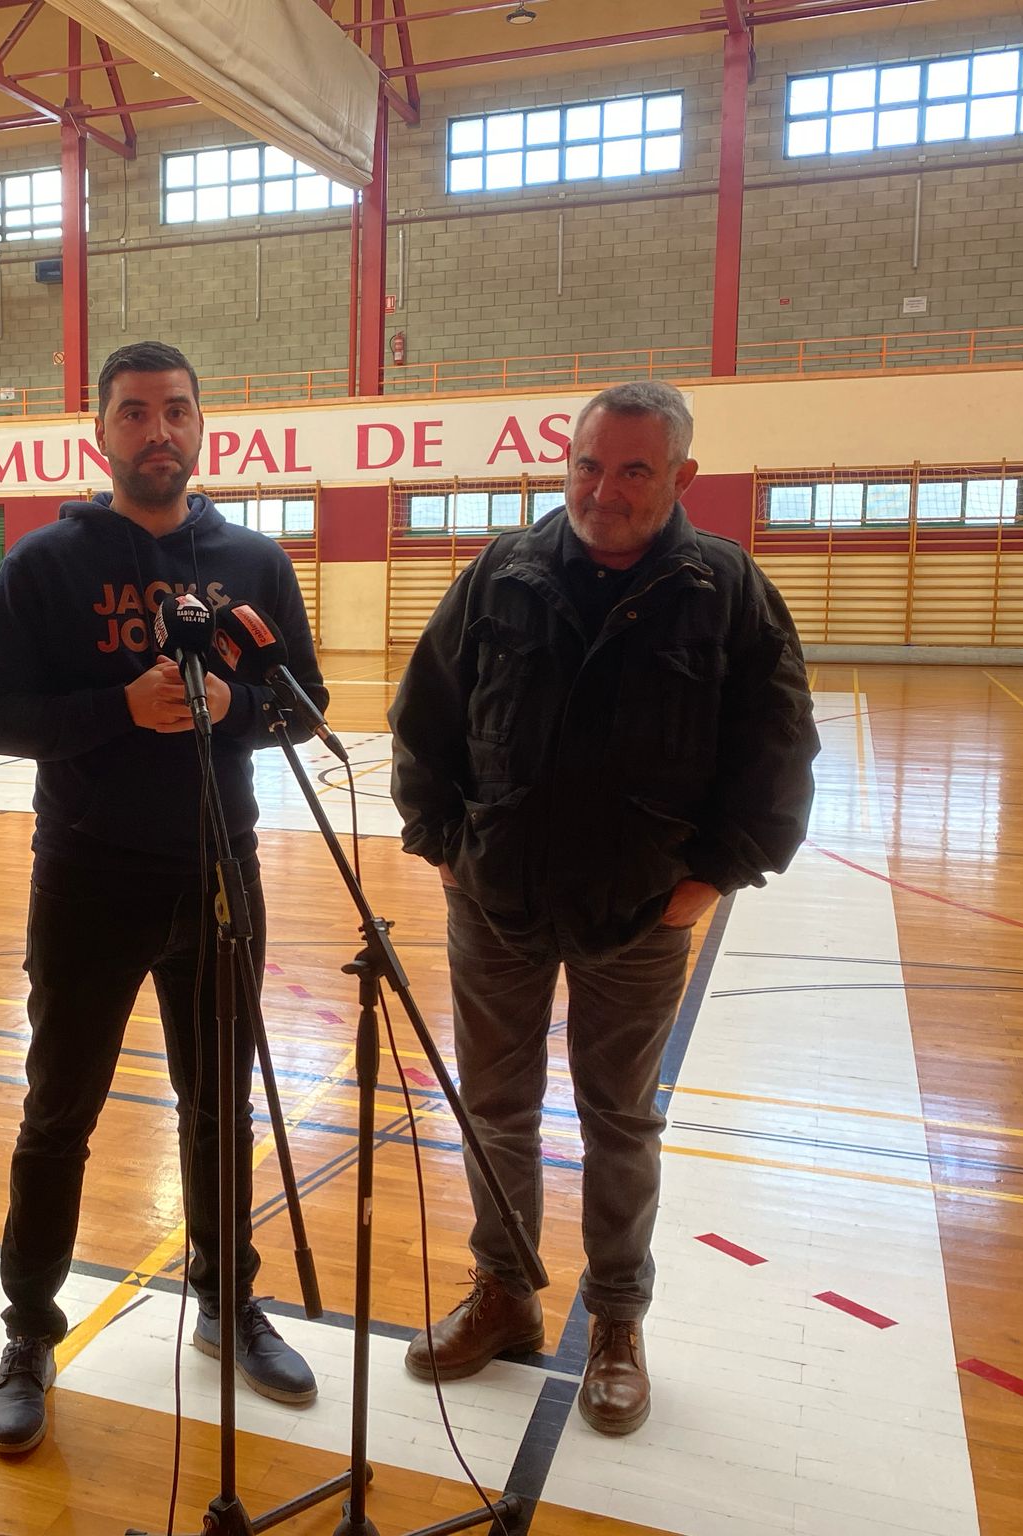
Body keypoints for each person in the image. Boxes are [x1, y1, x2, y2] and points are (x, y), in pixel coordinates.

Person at [388, 379, 819, 1437]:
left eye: (632, 469)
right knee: (494, 1111)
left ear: (681, 476)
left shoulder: (723, 590)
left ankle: (617, 1320)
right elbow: (422, 720)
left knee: (617, 1120)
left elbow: (777, 757)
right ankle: (505, 1294)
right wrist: (446, 849)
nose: (603, 488)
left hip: (638, 917)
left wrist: (707, 882)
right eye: (587, 464)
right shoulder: (501, 573)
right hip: (493, 904)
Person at [0, 339, 328, 1454]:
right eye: (132, 413)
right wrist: (120, 708)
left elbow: (304, 709)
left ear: (202, 425)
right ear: (101, 433)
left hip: (221, 873)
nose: (155, 430)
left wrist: (235, 707)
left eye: (173, 411)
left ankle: (226, 1299)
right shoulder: (44, 565)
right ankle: (27, 1331)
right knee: (56, 1113)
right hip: (86, 876)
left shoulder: (253, 562)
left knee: (221, 1103)